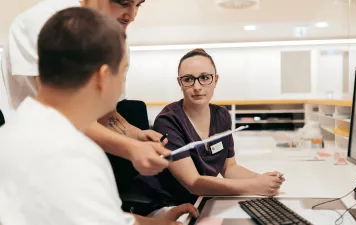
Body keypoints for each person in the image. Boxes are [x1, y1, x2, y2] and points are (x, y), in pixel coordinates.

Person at [0, 7, 198, 225]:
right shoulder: (75, 156)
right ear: (103, 77)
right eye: (122, 72)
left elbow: (96, 215)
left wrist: (156, 222)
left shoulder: (14, 133)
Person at [1, 0, 170, 176]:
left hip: (81, 162)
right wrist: (130, 148)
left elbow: (106, 114)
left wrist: (136, 135)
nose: (132, 16)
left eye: (138, 5)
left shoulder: (114, 38)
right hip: (37, 161)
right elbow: (59, 110)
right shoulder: (41, 22)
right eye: (124, 2)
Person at [150, 48, 286, 206]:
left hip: (207, 200)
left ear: (215, 80)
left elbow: (229, 167)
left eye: (204, 78)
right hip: (172, 207)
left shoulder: (221, 116)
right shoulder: (168, 121)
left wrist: (263, 179)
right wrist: (254, 186)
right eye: (188, 79)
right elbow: (193, 183)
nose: (197, 86)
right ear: (180, 83)